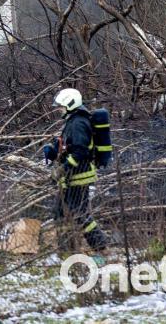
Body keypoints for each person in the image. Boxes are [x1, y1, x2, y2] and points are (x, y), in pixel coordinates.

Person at [43, 88, 107, 256]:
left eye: (61, 106)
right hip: (72, 177)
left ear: (70, 104)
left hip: (79, 176)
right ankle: (66, 249)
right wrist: (52, 150)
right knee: (60, 212)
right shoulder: (72, 121)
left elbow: (80, 150)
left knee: (79, 212)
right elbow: (67, 145)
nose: (59, 109)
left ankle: (100, 246)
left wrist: (64, 168)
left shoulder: (78, 123)